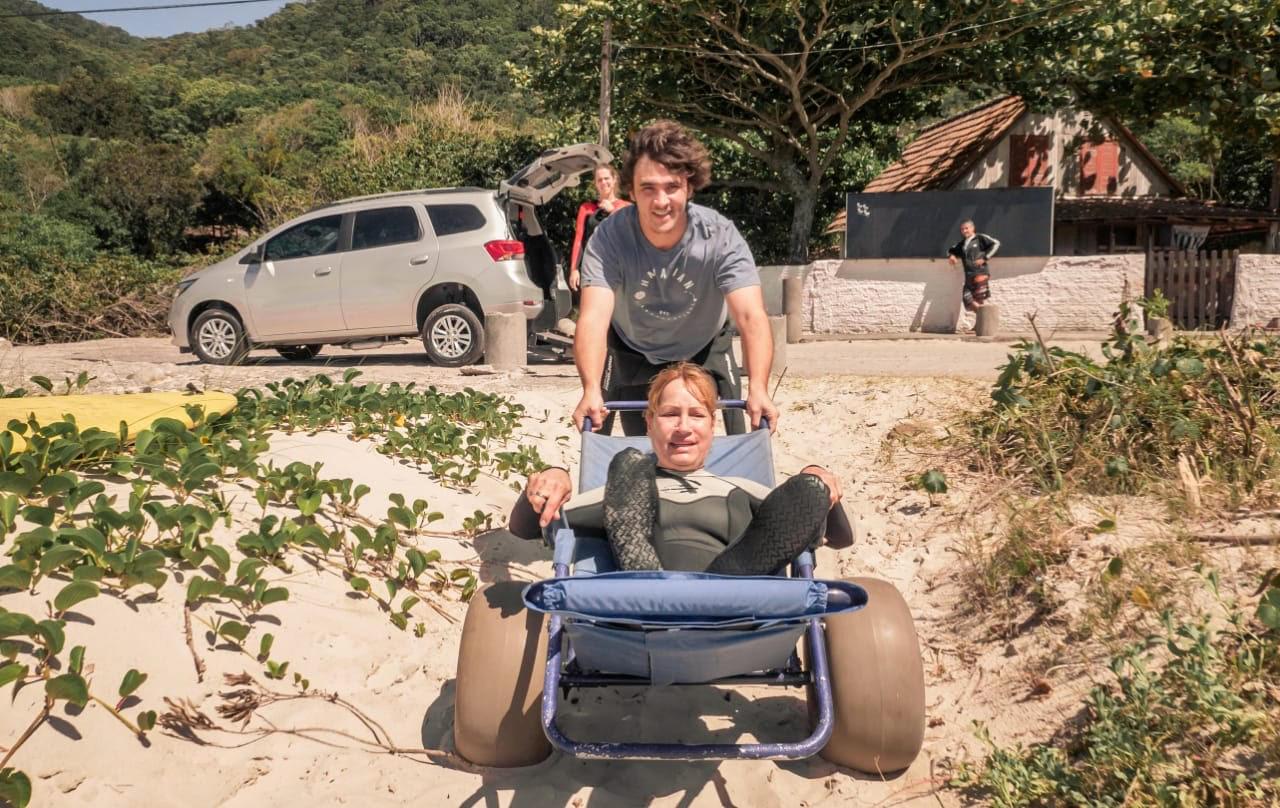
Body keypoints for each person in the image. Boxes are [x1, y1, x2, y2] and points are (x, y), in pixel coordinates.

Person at [516, 363, 844, 575]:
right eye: (671, 414)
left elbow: (839, 535)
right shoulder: (623, 490)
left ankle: (719, 586)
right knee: (629, 465)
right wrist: (553, 477)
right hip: (641, 612)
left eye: (697, 415)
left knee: (805, 489)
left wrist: (818, 481)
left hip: (735, 608)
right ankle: (650, 583)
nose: (684, 427)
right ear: (649, 423)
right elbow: (527, 527)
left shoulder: (739, 489)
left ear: (712, 425)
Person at [572, 120, 779, 437]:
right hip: (633, 347)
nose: (660, 201)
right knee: (631, 444)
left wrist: (760, 387)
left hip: (705, 344)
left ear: (689, 187)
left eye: (672, 187)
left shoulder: (718, 236)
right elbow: (593, 317)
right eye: (648, 188)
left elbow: (751, 315)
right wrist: (589, 388)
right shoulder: (609, 237)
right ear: (631, 190)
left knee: (744, 430)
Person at [567, 164, 632, 303]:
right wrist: (574, 269)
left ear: (614, 179)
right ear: (595, 183)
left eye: (606, 178)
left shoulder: (626, 207)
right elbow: (579, 239)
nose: (603, 182)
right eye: (599, 180)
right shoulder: (586, 208)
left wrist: (612, 211)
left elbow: (632, 234)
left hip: (620, 268)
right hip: (593, 267)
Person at [947, 220, 1000, 326]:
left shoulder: (980, 238)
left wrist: (985, 258)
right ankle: (986, 318)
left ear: (972, 228)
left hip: (980, 273)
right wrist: (952, 256)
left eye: (966, 228)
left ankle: (980, 325)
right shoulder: (962, 243)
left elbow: (996, 243)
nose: (964, 231)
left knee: (979, 300)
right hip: (968, 275)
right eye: (962, 229)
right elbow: (951, 250)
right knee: (967, 298)